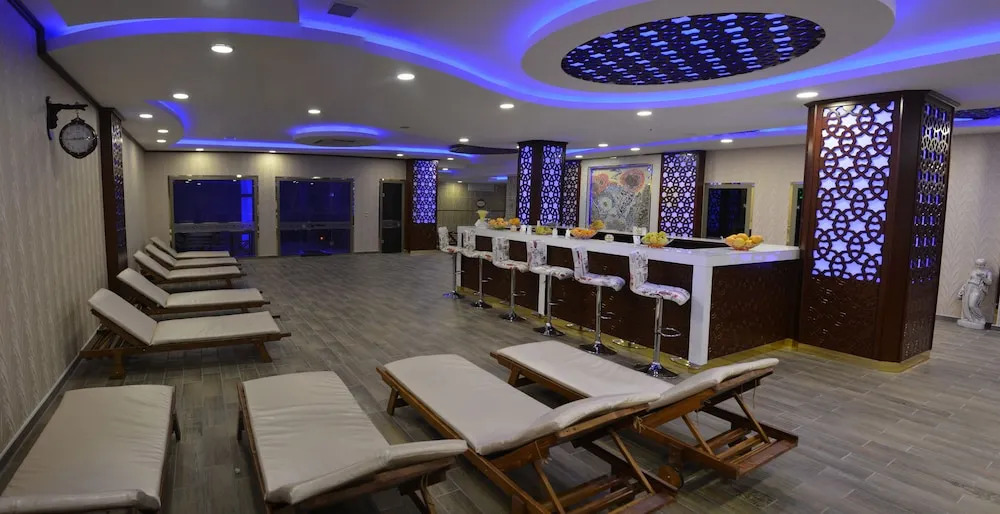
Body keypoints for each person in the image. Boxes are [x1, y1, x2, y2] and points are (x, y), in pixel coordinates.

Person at [958, 258, 992, 329]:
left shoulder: (988, 272)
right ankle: (970, 318)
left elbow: (989, 282)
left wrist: (983, 277)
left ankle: (980, 318)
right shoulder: (974, 271)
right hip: (969, 287)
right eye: (977, 264)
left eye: (981, 265)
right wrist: (962, 289)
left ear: (984, 265)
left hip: (978, 288)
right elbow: (968, 280)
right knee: (966, 304)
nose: (979, 266)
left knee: (972, 304)